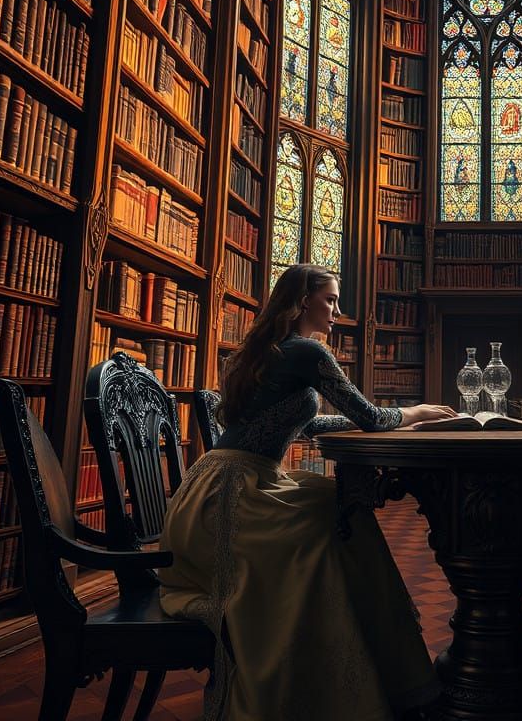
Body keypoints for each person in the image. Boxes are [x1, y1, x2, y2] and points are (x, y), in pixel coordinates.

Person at [159, 263, 456, 721]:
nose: (338, 309)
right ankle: (359, 668)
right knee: (336, 516)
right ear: (303, 301)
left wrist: (395, 417)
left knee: (332, 509)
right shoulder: (306, 352)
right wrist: (415, 412)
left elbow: (307, 423)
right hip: (233, 501)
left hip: (213, 487)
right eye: (331, 299)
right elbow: (372, 417)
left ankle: (358, 656)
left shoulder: (272, 350)